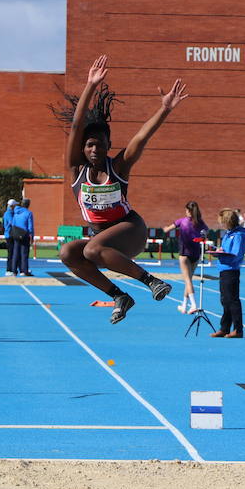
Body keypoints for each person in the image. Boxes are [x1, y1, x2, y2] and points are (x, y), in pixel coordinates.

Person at [59, 54, 186, 323]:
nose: (95, 149)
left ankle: (152, 282)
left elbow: (141, 137)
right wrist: (90, 85)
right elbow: (75, 126)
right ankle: (119, 296)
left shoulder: (119, 166)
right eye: (90, 144)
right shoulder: (75, 169)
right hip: (102, 240)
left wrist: (164, 109)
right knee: (68, 252)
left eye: (101, 144)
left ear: (109, 144)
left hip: (130, 231)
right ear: (83, 147)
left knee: (92, 249)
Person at [211, 208, 245, 338]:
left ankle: (238, 329)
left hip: (231, 270)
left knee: (233, 300)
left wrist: (222, 255)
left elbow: (236, 254)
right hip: (223, 268)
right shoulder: (229, 234)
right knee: (225, 300)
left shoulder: (237, 236)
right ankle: (224, 328)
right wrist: (219, 251)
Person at [169, 201, 210, 313]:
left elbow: (167, 229)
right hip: (196, 254)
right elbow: (206, 232)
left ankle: (193, 305)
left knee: (187, 280)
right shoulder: (201, 223)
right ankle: (184, 304)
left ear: (188, 210)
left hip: (184, 254)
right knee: (189, 280)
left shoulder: (182, 221)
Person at [11, 198, 35, 276]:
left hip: (16, 233)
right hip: (24, 234)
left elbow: (13, 223)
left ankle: (14, 270)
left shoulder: (16, 212)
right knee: (24, 253)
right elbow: (30, 226)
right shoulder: (29, 213)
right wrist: (32, 236)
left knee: (15, 252)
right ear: (28, 205)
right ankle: (24, 271)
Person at [2, 198, 19, 275]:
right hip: (9, 235)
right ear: (12, 206)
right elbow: (12, 223)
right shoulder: (8, 214)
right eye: (15, 205)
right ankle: (8, 270)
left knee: (14, 252)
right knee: (11, 253)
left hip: (11, 234)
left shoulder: (11, 213)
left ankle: (14, 268)